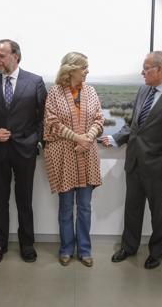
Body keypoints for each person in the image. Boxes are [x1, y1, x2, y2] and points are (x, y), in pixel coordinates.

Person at [101, 51, 162, 269]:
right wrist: (116, 138)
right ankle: (129, 247)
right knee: (132, 208)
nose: (142, 72)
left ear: (159, 69)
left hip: (158, 166)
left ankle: (156, 252)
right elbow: (133, 126)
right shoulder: (143, 90)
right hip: (134, 161)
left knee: (158, 212)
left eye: (146, 68)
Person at [0, 39, 47, 265]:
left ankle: (27, 244)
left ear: (16, 56)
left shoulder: (35, 82)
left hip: (25, 150)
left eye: (2, 56)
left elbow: (44, 117)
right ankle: (0, 244)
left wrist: (35, 139)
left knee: (24, 200)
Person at [43, 52, 104, 267]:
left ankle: (85, 250)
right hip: (63, 157)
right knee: (66, 207)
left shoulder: (91, 91)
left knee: (85, 207)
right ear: (71, 69)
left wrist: (87, 138)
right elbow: (52, 123)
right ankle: (66, 249)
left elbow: (99, 118)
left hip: (87, 156)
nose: (87, 71)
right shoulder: (55, 92)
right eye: (84, 67)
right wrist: (78, 137)